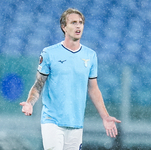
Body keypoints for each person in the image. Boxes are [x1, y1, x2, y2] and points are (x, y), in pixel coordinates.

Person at [20, 8, 121, 150]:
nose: (78, 26)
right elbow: (39, 84)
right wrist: (30, 103)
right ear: (64, 27)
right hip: (52, 121)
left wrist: (105, 116)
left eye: (80, 23)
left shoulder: (90, 55)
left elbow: (93, 88)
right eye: (73, 22)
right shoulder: (49, 53)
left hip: (76, 123)